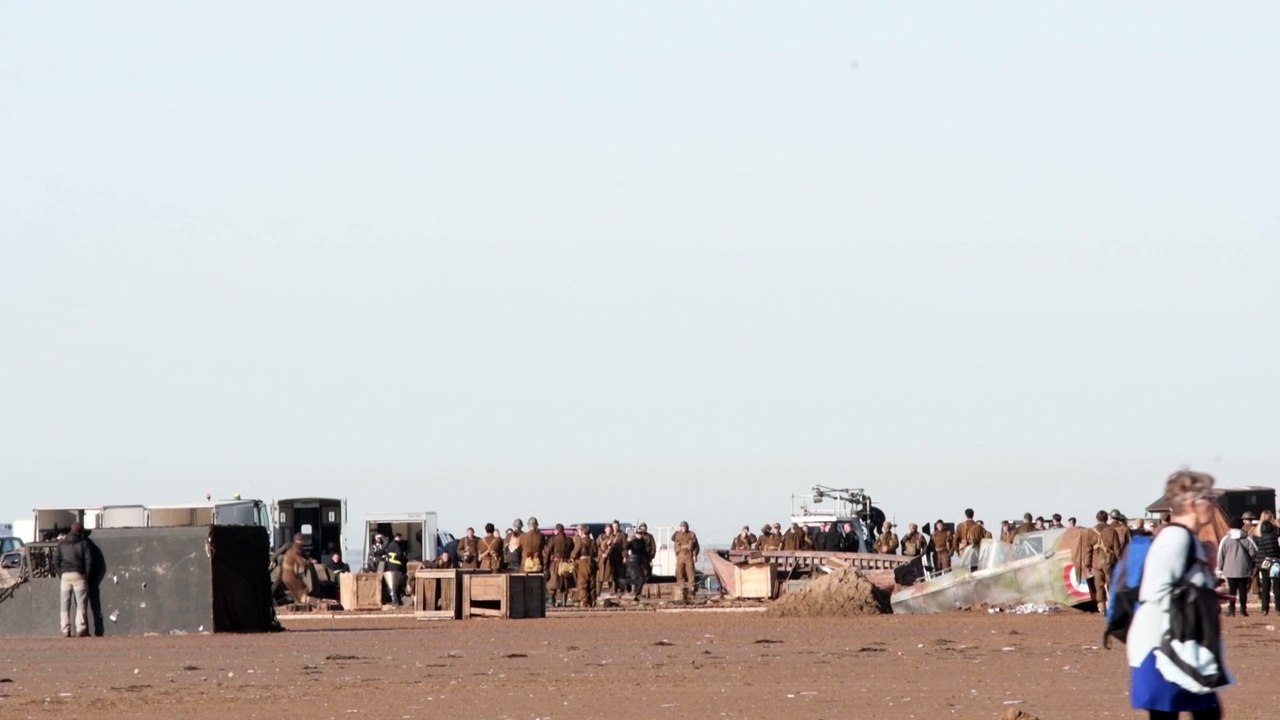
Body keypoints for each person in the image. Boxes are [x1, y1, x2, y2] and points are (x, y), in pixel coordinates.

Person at [1128, 470, 1227, 719]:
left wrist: (1208, 584)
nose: (1214, 504)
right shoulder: (1175, 538)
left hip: (1182, 642)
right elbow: (1155, 591)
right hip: (1163, 645)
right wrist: (1201, 594)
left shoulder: (1187, 539)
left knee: (1204, 711)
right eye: (1209, 498)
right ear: (1193, 504)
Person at [54, 522, 94, 638]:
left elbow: (55, 560)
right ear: (80, 531)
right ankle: (81, 628)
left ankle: (65, 629)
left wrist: (61, 573)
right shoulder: (84, 543)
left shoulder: (62, 544)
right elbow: (89, 560)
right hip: (79, 575)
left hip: (65, 576)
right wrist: (86, 574)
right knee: (81, 603)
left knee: (64, 604)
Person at [1216, 516, 1257, 617]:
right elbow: (1254, 552)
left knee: (1232, 590)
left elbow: (1221, 554)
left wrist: (1220, 567)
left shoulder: (1225, 539)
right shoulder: (1247, 538)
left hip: (1229, 568)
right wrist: (1249, 561)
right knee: (1243, 589)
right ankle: (1243, 609)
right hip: (1244, 567)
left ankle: (1232, 610)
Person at [1253, 520, 1280, 616]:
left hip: (1263, 564)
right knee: (1277, 586)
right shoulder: (1275, 538)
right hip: (1275, 563)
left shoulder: (1259, 539)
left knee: (1265, 585)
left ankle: (1264, 608)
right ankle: (1278, 608)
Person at [544, 523, 573, 607]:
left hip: (555, 564)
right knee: (565, 584)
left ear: (556, 531)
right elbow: (572, 550)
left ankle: (552, 602)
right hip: (566, 564)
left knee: (552, 584)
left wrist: (546, 566)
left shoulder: (553, 539)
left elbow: (548, 553)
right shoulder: (569, 540)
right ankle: (564, 602)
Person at [570, 524, 597, 607]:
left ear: (582, 532)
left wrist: (572, 558)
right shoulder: (593, 542)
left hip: (583, 562)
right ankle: (593, 600)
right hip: (592, 562)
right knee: (592, 582)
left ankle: (584, 601)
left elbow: (574, 554)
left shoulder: (581, 541)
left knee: (582, 583)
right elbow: (596, 551)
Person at [671, 521, 700, 591]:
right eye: (682, 527)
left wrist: (695, 555)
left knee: (690, 571)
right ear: (680, 527)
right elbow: (672, 538)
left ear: (687, 527)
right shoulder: (677, 534)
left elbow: (696, 546)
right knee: (679, 570)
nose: (683, 528)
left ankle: (692, 585)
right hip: (680, 555)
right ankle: (681, 584)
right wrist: (676, 531)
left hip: (689, 555)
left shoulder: (691, 534)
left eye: (685, 527)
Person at [384, 532, 407, 605]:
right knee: (395, 585)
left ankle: (395, 599)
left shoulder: (390, 544)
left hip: (391, 567)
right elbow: (399, 554)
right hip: (395, 567)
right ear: (397, 537)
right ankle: (395, 599)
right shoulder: (396, 545)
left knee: (393, 585)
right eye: (400, 537)